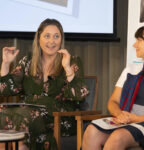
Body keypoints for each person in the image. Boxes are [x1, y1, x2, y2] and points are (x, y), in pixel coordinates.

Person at [0, 18, 89, 150]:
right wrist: (6, 63)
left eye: (56, 36)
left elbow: (80, 96)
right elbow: (5, 90)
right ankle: (21, 146)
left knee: (23, 117)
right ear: (39, 38)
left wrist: (68, 69)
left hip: (58, 119)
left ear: (61, 40)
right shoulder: (28, 62)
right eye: (47, 36)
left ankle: (21, 145)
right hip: (27, 116)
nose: (52, 41)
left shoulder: (71, 61)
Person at [82, 24, 144, 150]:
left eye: (139, 41)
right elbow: (113, 101)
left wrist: (136, 119)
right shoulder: (131, 69)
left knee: (117, 137)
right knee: (91, 131)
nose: (134, 45)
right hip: (126, 122)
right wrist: (120, 114)